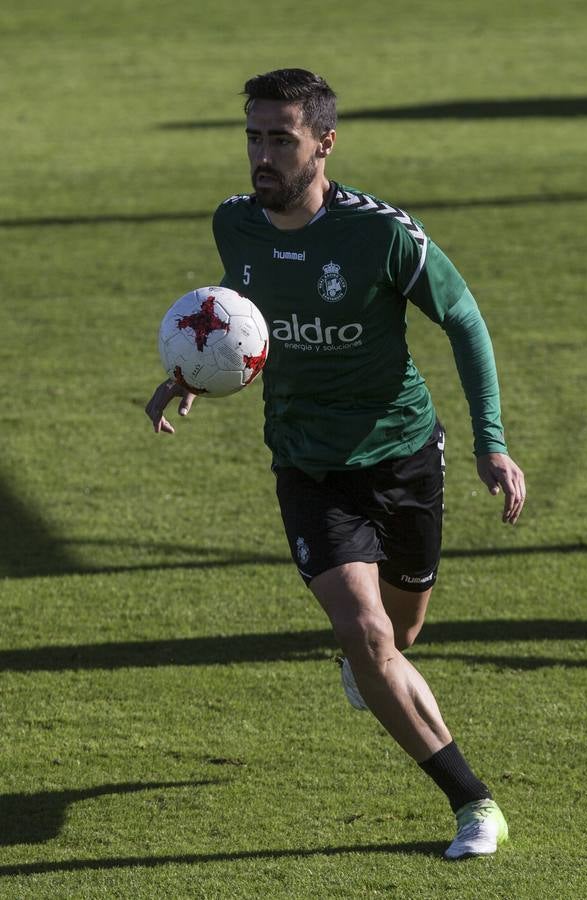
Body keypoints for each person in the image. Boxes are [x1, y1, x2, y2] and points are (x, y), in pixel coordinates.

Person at [146, 68, 526, 860]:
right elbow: (240, 332)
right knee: (364, 630)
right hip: (307, 464)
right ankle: (473, 803)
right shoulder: (234, 227)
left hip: (404, 454)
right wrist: (188, 375)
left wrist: (491, 440)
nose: (261, 154)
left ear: (323, 142)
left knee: (403, 627)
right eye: (253, 136)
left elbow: (463, 319)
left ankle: (376, 661)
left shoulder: (382, 235)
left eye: (279, 138)